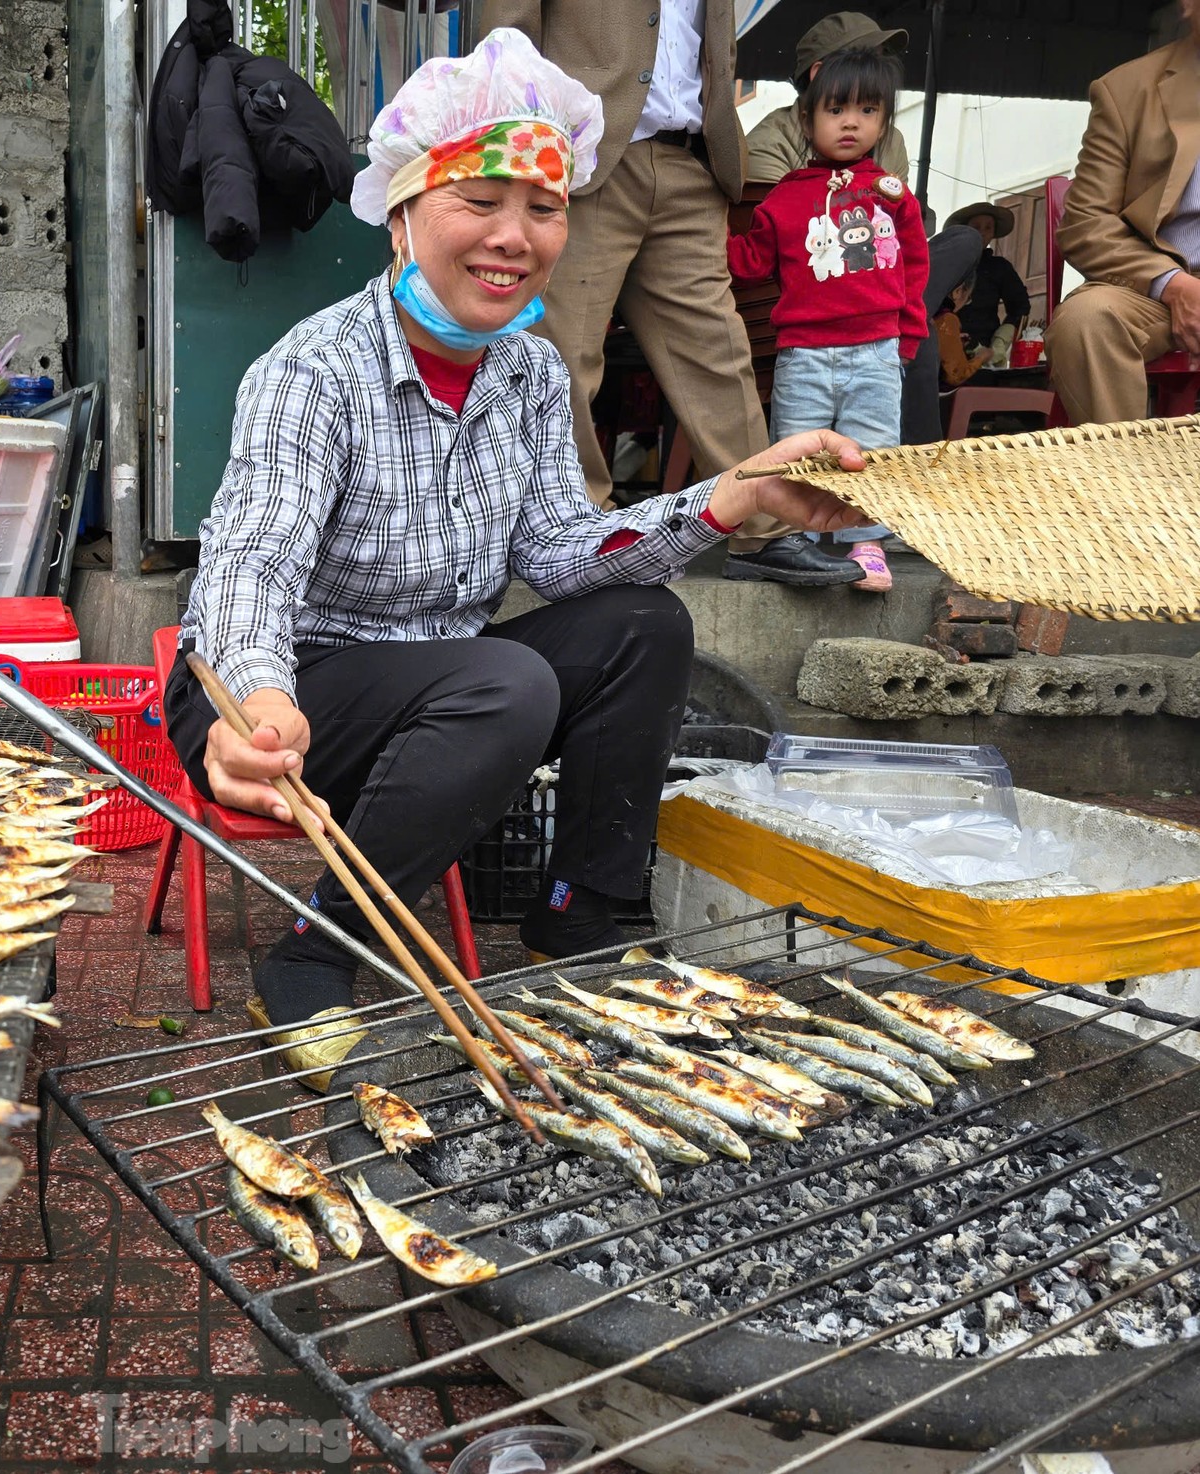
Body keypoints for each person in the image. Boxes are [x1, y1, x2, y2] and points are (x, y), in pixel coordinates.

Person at [170, 30, 872, 1077]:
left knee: (642, 624)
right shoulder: (312, 370)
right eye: (479, 201)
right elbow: (250, 564)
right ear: (403, 213)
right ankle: (318, 953)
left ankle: (581, 911)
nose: (514, 236)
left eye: (542, 209)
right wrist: (258, 701)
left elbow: (559, 552)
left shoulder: (532, 374)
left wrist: (729, 500)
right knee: (504, 681)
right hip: (269, 694)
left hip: (443, 686)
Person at [475, 0, 862, 586]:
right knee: (563, 350)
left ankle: (762, 529)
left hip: (692, 161)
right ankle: (582, 529)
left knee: (717, 351)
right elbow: (506, 34)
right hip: (583, 155)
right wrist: (518, 158)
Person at [727, 46, 927, 594]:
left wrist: (906, 339)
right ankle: (799, 545)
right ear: (808, 117)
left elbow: (914, 269)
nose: (850, 123)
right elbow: (749, 264)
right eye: (836, 110)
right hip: (803, 352)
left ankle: (866, 545)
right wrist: (707, 242)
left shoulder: (893, 196)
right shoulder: (785, 199)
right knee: (797, 450)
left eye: (867, 111)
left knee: (871, 451)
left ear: (884, 122)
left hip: (876, 348)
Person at [1046, 14, 1200, 428]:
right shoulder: (1126, 91)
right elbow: (1085, 222)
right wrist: (1173, 285)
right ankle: (1128, 484)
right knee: (1085, 322)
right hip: (1159, 286)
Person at [744, 12, 908, 188]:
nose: (876, 73)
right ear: (818, 74)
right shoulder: (769, 148)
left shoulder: (891, 142)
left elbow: (901, 210)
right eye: (864, 63)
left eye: (878, 62)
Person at [945, 202, 1031, 363]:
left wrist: (999, 343)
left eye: (988, 228)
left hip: (984, 352)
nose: (982, 233)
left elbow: (1020, 307)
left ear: (993, 233)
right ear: (966, 229)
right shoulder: (949, 263)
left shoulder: (1000, 267)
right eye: (976, 227)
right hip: (947, 349)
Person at [936, 275, 994, 388]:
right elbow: (956, 375)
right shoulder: (947, 318)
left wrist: (954, 342)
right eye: (968, 298)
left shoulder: (930, 308)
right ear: (958, 291)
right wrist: (981, 357)